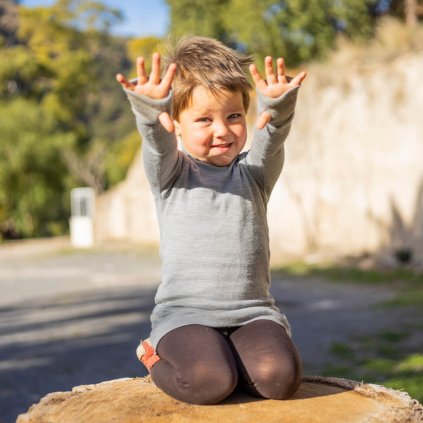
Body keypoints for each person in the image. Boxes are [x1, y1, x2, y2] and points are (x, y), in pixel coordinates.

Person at [116, 35, 306, 405]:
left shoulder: (253, 173)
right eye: (204, 119)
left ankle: (231, 355)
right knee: (207, 381)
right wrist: (150, 114)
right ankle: (152, 353)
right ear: (177, 124)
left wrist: (279, 109)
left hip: (252, 313)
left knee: (279, 379)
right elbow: (157, 144)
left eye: (234, 116)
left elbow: (273, 138)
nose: (222, 130)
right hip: (186, 316)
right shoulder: (171, 175)